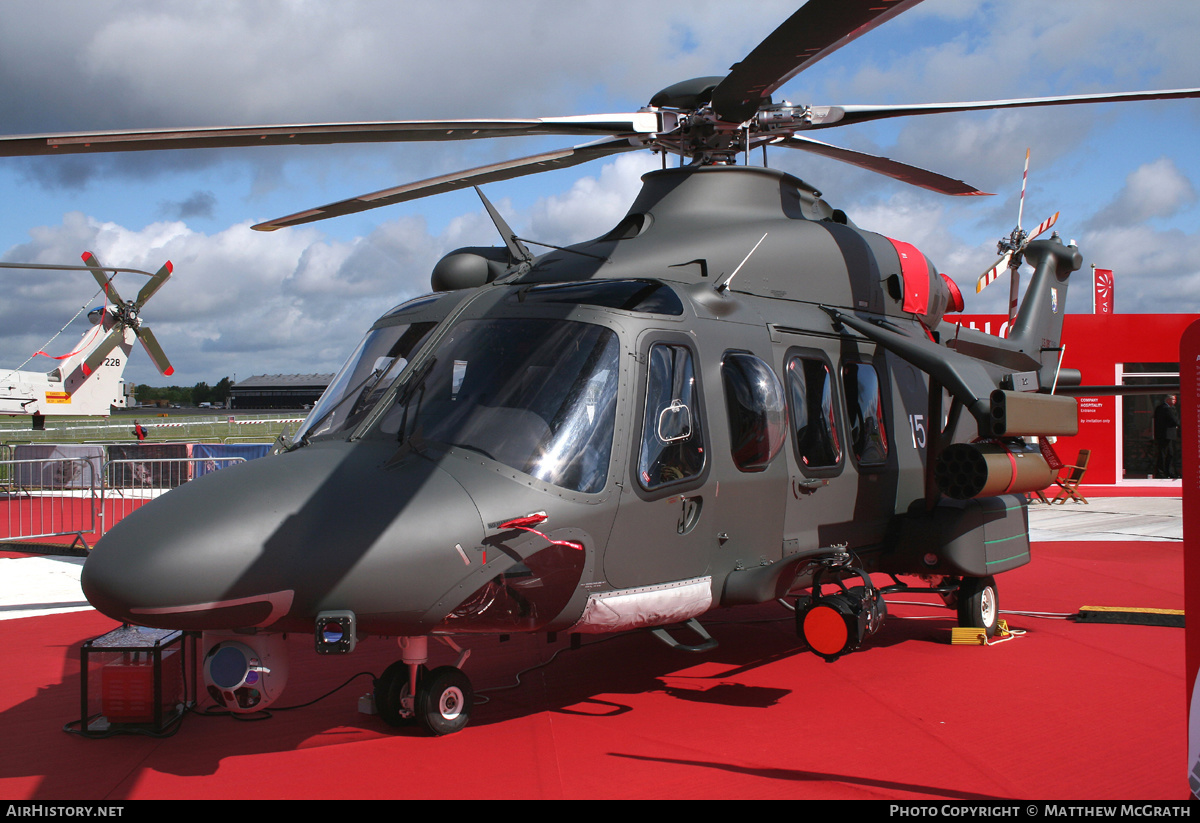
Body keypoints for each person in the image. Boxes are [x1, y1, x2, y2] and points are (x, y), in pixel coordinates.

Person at [1152, 395, 1179, 479]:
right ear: (1168, 400)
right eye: (1173, 399)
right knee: (1165, 453)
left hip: (1165, 435)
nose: (1175, 401)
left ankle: (1167, 471)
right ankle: (1163, 472)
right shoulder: (1166, 408)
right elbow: (1174, 420)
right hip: (1166, 435)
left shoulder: (1161, 408)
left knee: (1168, 453)